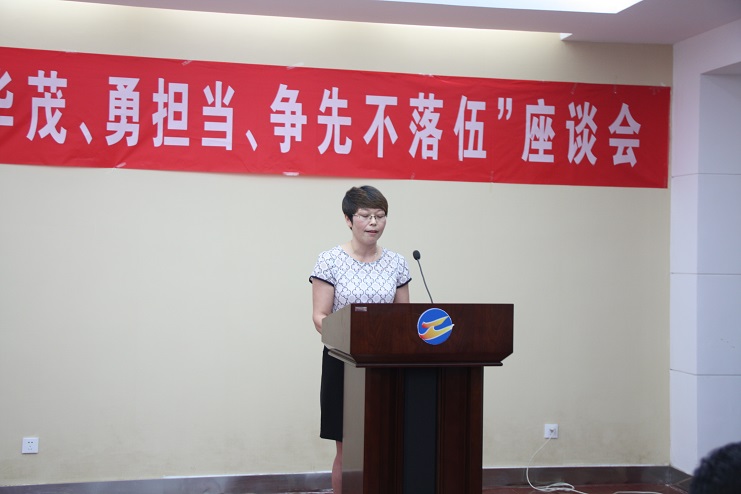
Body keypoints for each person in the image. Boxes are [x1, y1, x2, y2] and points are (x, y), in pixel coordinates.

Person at [309, 185, 411, 494]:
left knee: (387, 443)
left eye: (380, 215)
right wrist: (351, 339)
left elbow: (404, 317)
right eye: (365, 215)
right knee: (348, 449)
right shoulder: (330, 261)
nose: (373, 222)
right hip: (344, 362)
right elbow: (320, 317)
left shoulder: (397, 263)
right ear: (348, 219)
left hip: (386, 364)